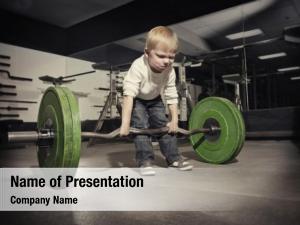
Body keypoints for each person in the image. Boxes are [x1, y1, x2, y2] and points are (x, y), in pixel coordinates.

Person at [120, 26, 193, 175]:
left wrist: (174, 121)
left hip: (155, 99)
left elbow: (171, 93)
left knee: (165, 127)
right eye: (160, 56)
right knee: (141, 128)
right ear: (147, 53)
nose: (166, 61)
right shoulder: (138, 67)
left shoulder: (169, 70)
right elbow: (129, 95)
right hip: (137, 99)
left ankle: (173, 158)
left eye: (171, 57)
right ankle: (145, 160)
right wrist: (125, 124)